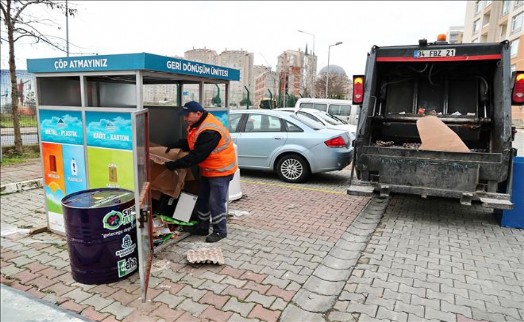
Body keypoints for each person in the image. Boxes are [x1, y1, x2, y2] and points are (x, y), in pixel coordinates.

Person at [164, 101, 237, 243]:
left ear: (198, 113)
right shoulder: (197, 125)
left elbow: (198, 154)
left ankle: (220, 231)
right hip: (208, 169)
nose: (185, 118)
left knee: (216, 202)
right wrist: (177, 144)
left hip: (221, 171)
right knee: (203, 200)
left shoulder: (210, 130)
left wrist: (175, 165)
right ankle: (203, 227)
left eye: (187, 115)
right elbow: (194, 143)